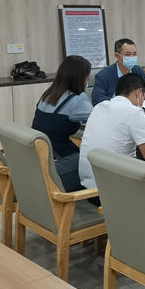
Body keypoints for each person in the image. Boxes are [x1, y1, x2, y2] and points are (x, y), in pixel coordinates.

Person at [79, 73, 145, 193]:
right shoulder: (134, 112)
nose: (142, 103)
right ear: (139, 92)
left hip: (89, 188)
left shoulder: (99, 107)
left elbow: (118, 126)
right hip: (117, 193)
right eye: (143, 98)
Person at [32, 55, 93, 192]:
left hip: (39, 156)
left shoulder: (48, 95)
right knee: (96, 163)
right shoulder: (78, 101)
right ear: (80, 78)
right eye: (87, 78)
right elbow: (99, 120)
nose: (87, 82)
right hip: (59, 161)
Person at [91, 38, 145, 106]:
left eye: (134, 54)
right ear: (117, 56)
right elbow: (97, 99)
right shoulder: (103, 75)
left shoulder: (138, 70)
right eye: (128, 54)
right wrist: (123, 101)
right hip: (114, 110)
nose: (132, 57)